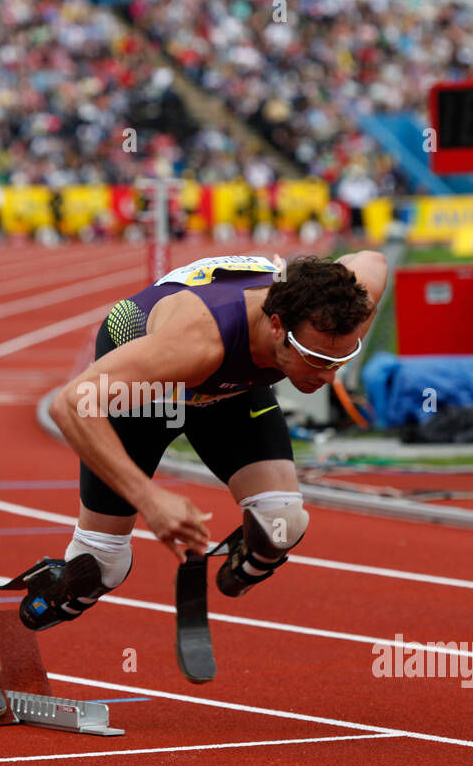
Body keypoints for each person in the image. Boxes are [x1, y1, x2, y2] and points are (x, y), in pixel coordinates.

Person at [31, 252, 387, 630]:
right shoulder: (197, 340)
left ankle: (246, 556)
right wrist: (150, 500)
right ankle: (46, 592)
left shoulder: (349, 308)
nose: (329, 377)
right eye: (316, 359)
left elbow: (374, 260)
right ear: (278, 327)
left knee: (283, 524)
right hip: (149, 392)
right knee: (99, 568)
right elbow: (69, 405)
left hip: (227, 391)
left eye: (341, 360)